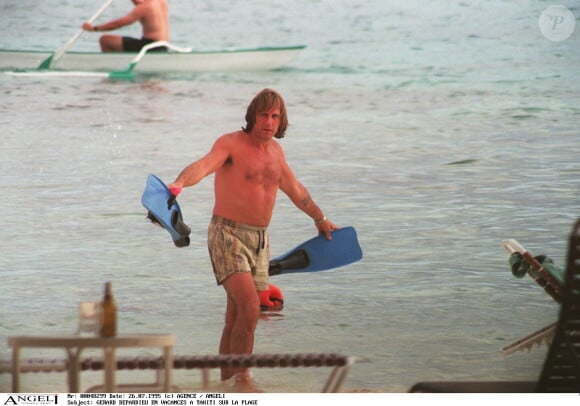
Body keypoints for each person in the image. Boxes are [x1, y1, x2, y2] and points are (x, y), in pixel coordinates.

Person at [168, 88, 338, 392]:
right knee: (249, 307)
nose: (269, 121)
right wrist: (179, 184)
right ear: (252, 116)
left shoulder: (277, 153)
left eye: (275, 116)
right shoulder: (231, 143)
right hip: (227, 233)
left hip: (259, 240)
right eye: (263, 115)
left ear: (281, 121)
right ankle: (244, 378)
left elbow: (296, 191)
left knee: (235, 316)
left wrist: (320, 218)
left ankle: (226, 384)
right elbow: (203, 166)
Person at [81, 0, 169, 52]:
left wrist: (94, 28)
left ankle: (111, 66)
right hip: (163, 46)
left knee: (105, 40)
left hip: (149, 47)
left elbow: (118, 24)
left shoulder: (143, 8)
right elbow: (141, 6)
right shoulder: (161, 2)